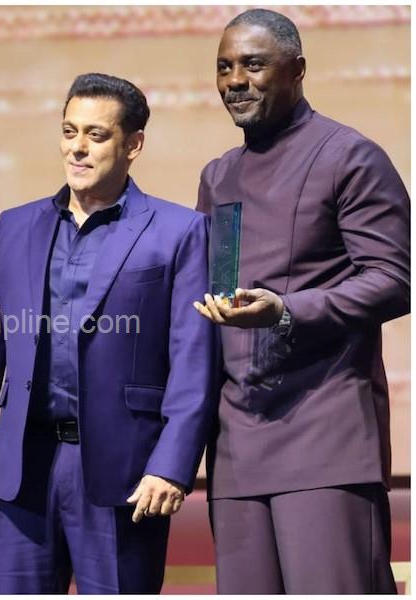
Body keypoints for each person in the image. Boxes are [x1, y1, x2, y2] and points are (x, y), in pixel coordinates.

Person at [0, 73, 217, 594]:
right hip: (24, 468)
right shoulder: (14, 227)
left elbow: (193, 361)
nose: (77, 148)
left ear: (133, 145)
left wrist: (172, 466)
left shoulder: (179, 231)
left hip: (123, 471)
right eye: (69, 131)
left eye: (96, 135)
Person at [194, 8, 409, 594]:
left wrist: (287, 310)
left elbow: (393, 279)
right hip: (237, 441)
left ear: (297, 69)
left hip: (324, 431)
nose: (236, 81)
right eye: (224, 67)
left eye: (253, 65)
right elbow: (214, 289)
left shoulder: (350, 156)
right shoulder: (218, 176)